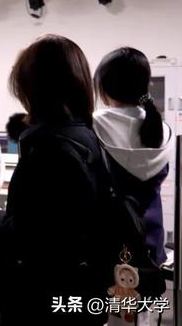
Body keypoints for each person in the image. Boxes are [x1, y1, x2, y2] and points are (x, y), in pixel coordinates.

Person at [0, 35, 109, 325]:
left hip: (39, 300)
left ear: (34, 89)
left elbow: (33, 241)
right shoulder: (85, 137)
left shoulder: (49, 149)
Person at [93, 47, 172, 326]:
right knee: (142, 317)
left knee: (113, 317)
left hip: (111, 250)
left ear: (103, 87)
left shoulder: (94, 125)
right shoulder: (161, 129)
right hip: (151, 246)